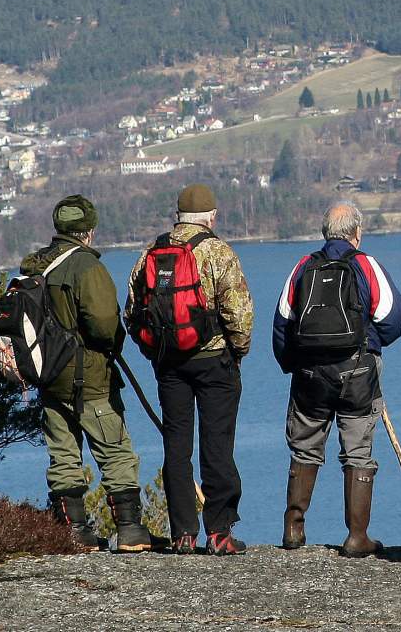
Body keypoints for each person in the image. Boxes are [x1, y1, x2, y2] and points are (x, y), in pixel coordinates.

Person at [271, 201, 401, 557]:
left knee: (304, 447)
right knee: (357, 451)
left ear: (324, 233)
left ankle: (294, 528)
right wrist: (370, 344)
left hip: (310, 375)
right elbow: (393, 318)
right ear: (357, 233)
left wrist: (293, 364)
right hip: (358, 372)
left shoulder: (303, 267)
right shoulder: (366, 265)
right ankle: (357, 537)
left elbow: (282, 324)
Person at [126, 184, 253, 555]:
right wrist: (238, 351)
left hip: (169, 365)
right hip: (215, 361)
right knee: (217, 444)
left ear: (178, 216)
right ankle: (220, 532)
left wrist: (155, 352)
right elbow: (239, 313)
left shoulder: (152, 252)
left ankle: (183, 533)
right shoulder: (218, 252)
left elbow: (132, 312)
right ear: (211, 216)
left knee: (176, 447)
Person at [25, 194, 153, 553]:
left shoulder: (35, 266)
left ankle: (74, 532)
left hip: (49, 377)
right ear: (89, 231)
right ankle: (129, 529)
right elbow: (103, 323)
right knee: (115, 451)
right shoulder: (87, 267)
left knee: (63, 455)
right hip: (90, 377)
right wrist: (115, 342)